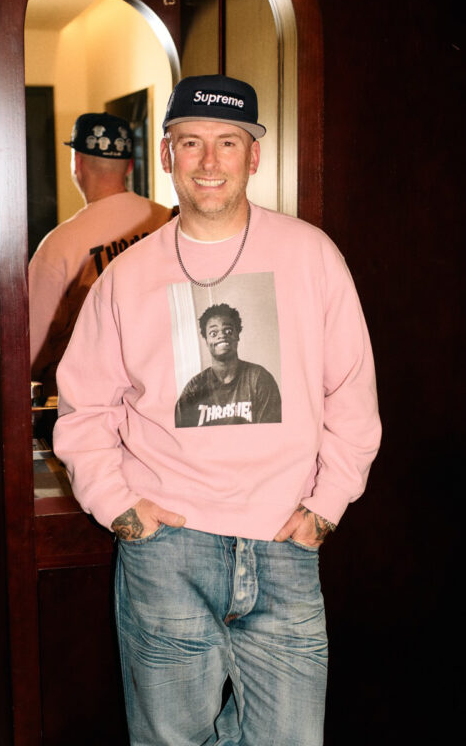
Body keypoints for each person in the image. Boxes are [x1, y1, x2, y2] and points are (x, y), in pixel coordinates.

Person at [54, 75, 381, 745]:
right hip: (167, 552)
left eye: (227, 143)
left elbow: (350, 394)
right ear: (167, 155)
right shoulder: (125, 277)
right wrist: (118, 505)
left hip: (283, 546)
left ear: (252, 157)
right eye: (191, 143)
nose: (209, 162)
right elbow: (84, 407)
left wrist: (326, 507)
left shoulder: (311, 257)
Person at [29, 112, 171, 396]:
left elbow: (27, 351)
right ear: (130, 166)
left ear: (77, 163)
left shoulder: (59, 247)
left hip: (87, 403)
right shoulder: (169, 222)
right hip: (163, 393)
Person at [175, 302, 281, 427]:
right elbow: (180, 437)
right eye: (213, 333)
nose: (222, 336)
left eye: (228, 330)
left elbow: (271, 434)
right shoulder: (194, 388)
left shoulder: (259, 378)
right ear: (206, 341)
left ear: (237, 335)